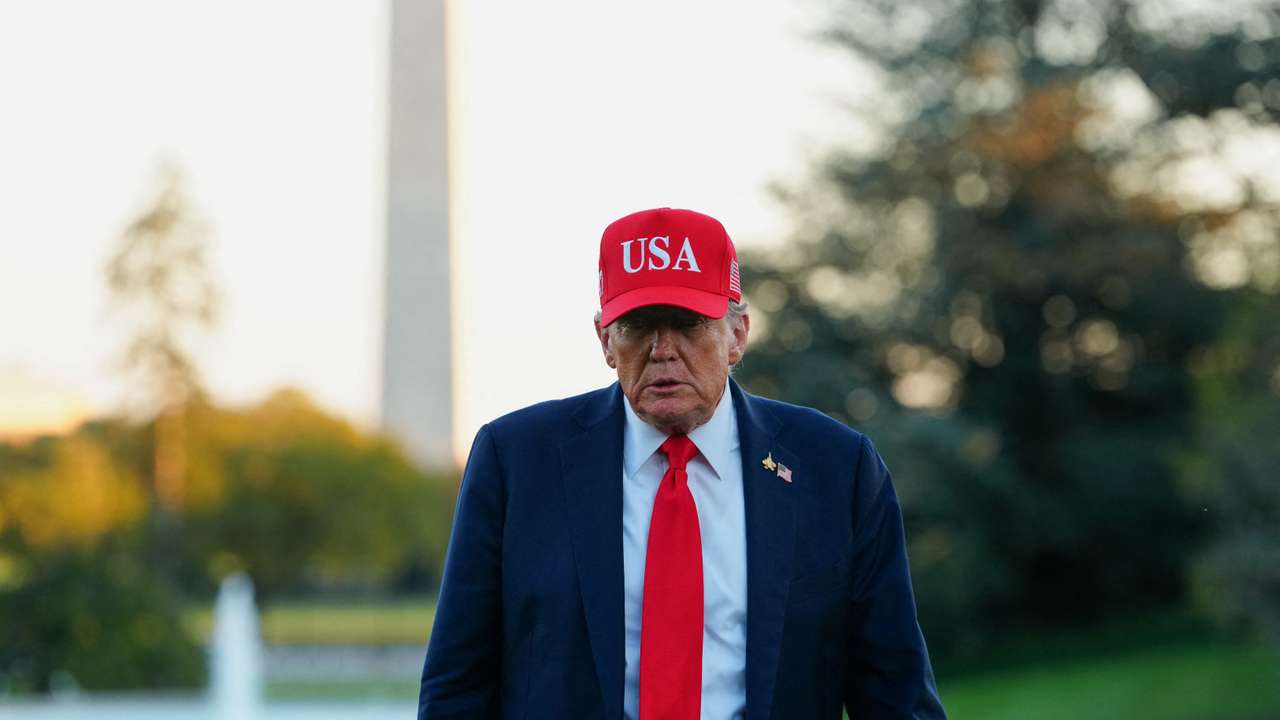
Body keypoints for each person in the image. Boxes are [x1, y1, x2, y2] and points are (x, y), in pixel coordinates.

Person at [419, 207, 947, 719]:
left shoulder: (835, 468)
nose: (662, 350)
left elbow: (895, 692)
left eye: (688, 324)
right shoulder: (516, 462)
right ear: (605, 338)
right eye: (638, 326)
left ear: (737, 335)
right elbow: (457, 685)